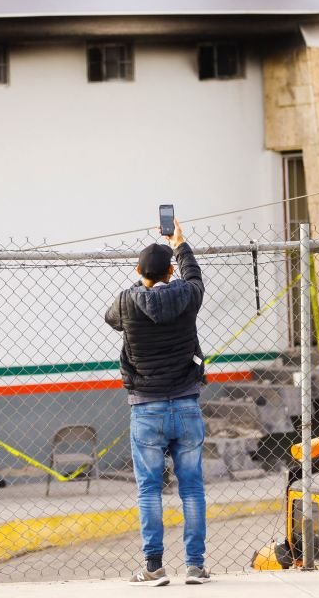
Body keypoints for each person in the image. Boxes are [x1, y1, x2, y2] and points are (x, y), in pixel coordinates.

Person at [105, 218, 210, 586]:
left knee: (149, 489)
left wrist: (141, 284)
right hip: (186, 404)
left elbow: (110, 317)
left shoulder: (126, 301)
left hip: (146, 408)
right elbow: (195, 279)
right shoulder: (186, 296)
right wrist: (179, 244)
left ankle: (153, 567)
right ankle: (195, 567)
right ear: (170, 270)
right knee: (192, 486)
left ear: (138, 270)